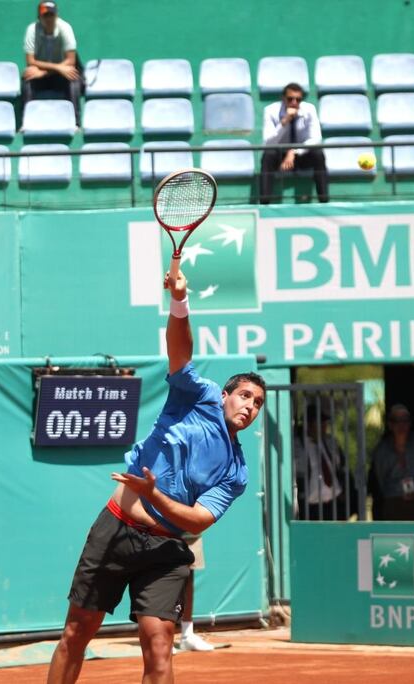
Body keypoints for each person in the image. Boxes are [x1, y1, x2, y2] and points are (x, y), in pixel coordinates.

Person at [46, 266, 266, 684]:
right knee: (77, 632)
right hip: (116, 529)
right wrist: (180, 302)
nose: (249, 406)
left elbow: (198, 520)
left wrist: (155, 495)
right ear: (225, 395)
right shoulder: (197, 397)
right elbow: (179, 351)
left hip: (165, 552)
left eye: (257, 404)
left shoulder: (237, 471)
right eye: (244, 396)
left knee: (160, 644)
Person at [259, 82, 329, 205]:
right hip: (279, 156)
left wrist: (294, 151)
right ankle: (264, 203)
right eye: (290, 99)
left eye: (298, 99)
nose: (294, 103)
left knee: (318, 153)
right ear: (283, 98)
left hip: (301, 154)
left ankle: (324, 201)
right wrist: (284, 122)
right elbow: (268, 142)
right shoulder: (270, 111)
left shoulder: (309, 109)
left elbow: (316, 138)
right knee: (268, 155)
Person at [371, 404, 414, 521]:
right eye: (397, 421)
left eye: (405, 420)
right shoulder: (382, 450)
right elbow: (380, 479)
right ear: (390, 425)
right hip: (394, 504)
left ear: (410, 423)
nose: (401, 425)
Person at [22, 1, 83, 123]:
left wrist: (44, 73)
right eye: (45, 16)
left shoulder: (65, 28)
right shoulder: (31, 30)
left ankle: (75, 123)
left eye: (52, 15)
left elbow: (71, 60)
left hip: (62, 75)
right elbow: (30, 60)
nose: (49, 19)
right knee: (27, 79)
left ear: (57, 16)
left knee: (73, 79)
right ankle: (26, 122)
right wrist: (58, 68)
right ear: (39, 18)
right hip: (49, 71)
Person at [292, 404, 349, 521]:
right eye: (318, 422)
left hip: (334, 504)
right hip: (310, 506)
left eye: (324, 422)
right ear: (308, 424)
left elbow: (342, 467)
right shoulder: (297, 445)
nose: (324, 426)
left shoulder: (330, 442)